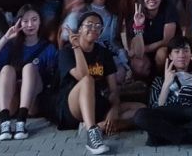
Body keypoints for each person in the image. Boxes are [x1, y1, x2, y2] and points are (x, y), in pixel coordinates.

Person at [56, 10, 145, 154]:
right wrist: (76, 47)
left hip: (96, 102)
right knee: (87, 80)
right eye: (89, 25)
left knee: (141, 109)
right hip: (72, 105)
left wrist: (114, 109)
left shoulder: (104, 53)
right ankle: (92, 134)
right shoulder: (66, 52)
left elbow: (113, 88)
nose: (94, 28)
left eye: (98, 26)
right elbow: (83, 76)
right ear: (79, 29)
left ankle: (100, 126)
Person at [132, 35, 192, 147]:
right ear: (170, 56)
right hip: (170, 113)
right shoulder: (159, 80)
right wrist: (166, 84)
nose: (182, 55)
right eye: (177, 52)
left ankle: (165, 137)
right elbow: (156, 107)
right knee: (140, 116)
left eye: (186, 51)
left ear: (191, 54)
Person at [0, 3, 58, 141]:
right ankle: (5, 122)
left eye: (34, 19)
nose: (30, 24)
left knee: (29, 68)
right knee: (7, 69)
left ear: (40, 21)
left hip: (33, 102)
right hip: (12, 101)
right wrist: (6, 37)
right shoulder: (12, 46)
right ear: (19, 22)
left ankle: (21, 122)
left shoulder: (48, 47)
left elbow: (52, 77)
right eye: (25, 21)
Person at [61, 0, 130, 84]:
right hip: (84, 52)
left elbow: (113, 41)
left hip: (104, 55)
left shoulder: (113, 14)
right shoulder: (81, 9)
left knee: (120, 73)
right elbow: (65, 35)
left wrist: (121, 54)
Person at [128, 0, 178, 80]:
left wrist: (146, 49)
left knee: (162, 54)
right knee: (138, 63)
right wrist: (138, 25)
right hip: (145, 53)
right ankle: (144, 84)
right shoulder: (137, 13)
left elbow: (167, 41)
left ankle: (162, 81)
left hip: (164, 49)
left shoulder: (168, 9)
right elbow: (138, 52)